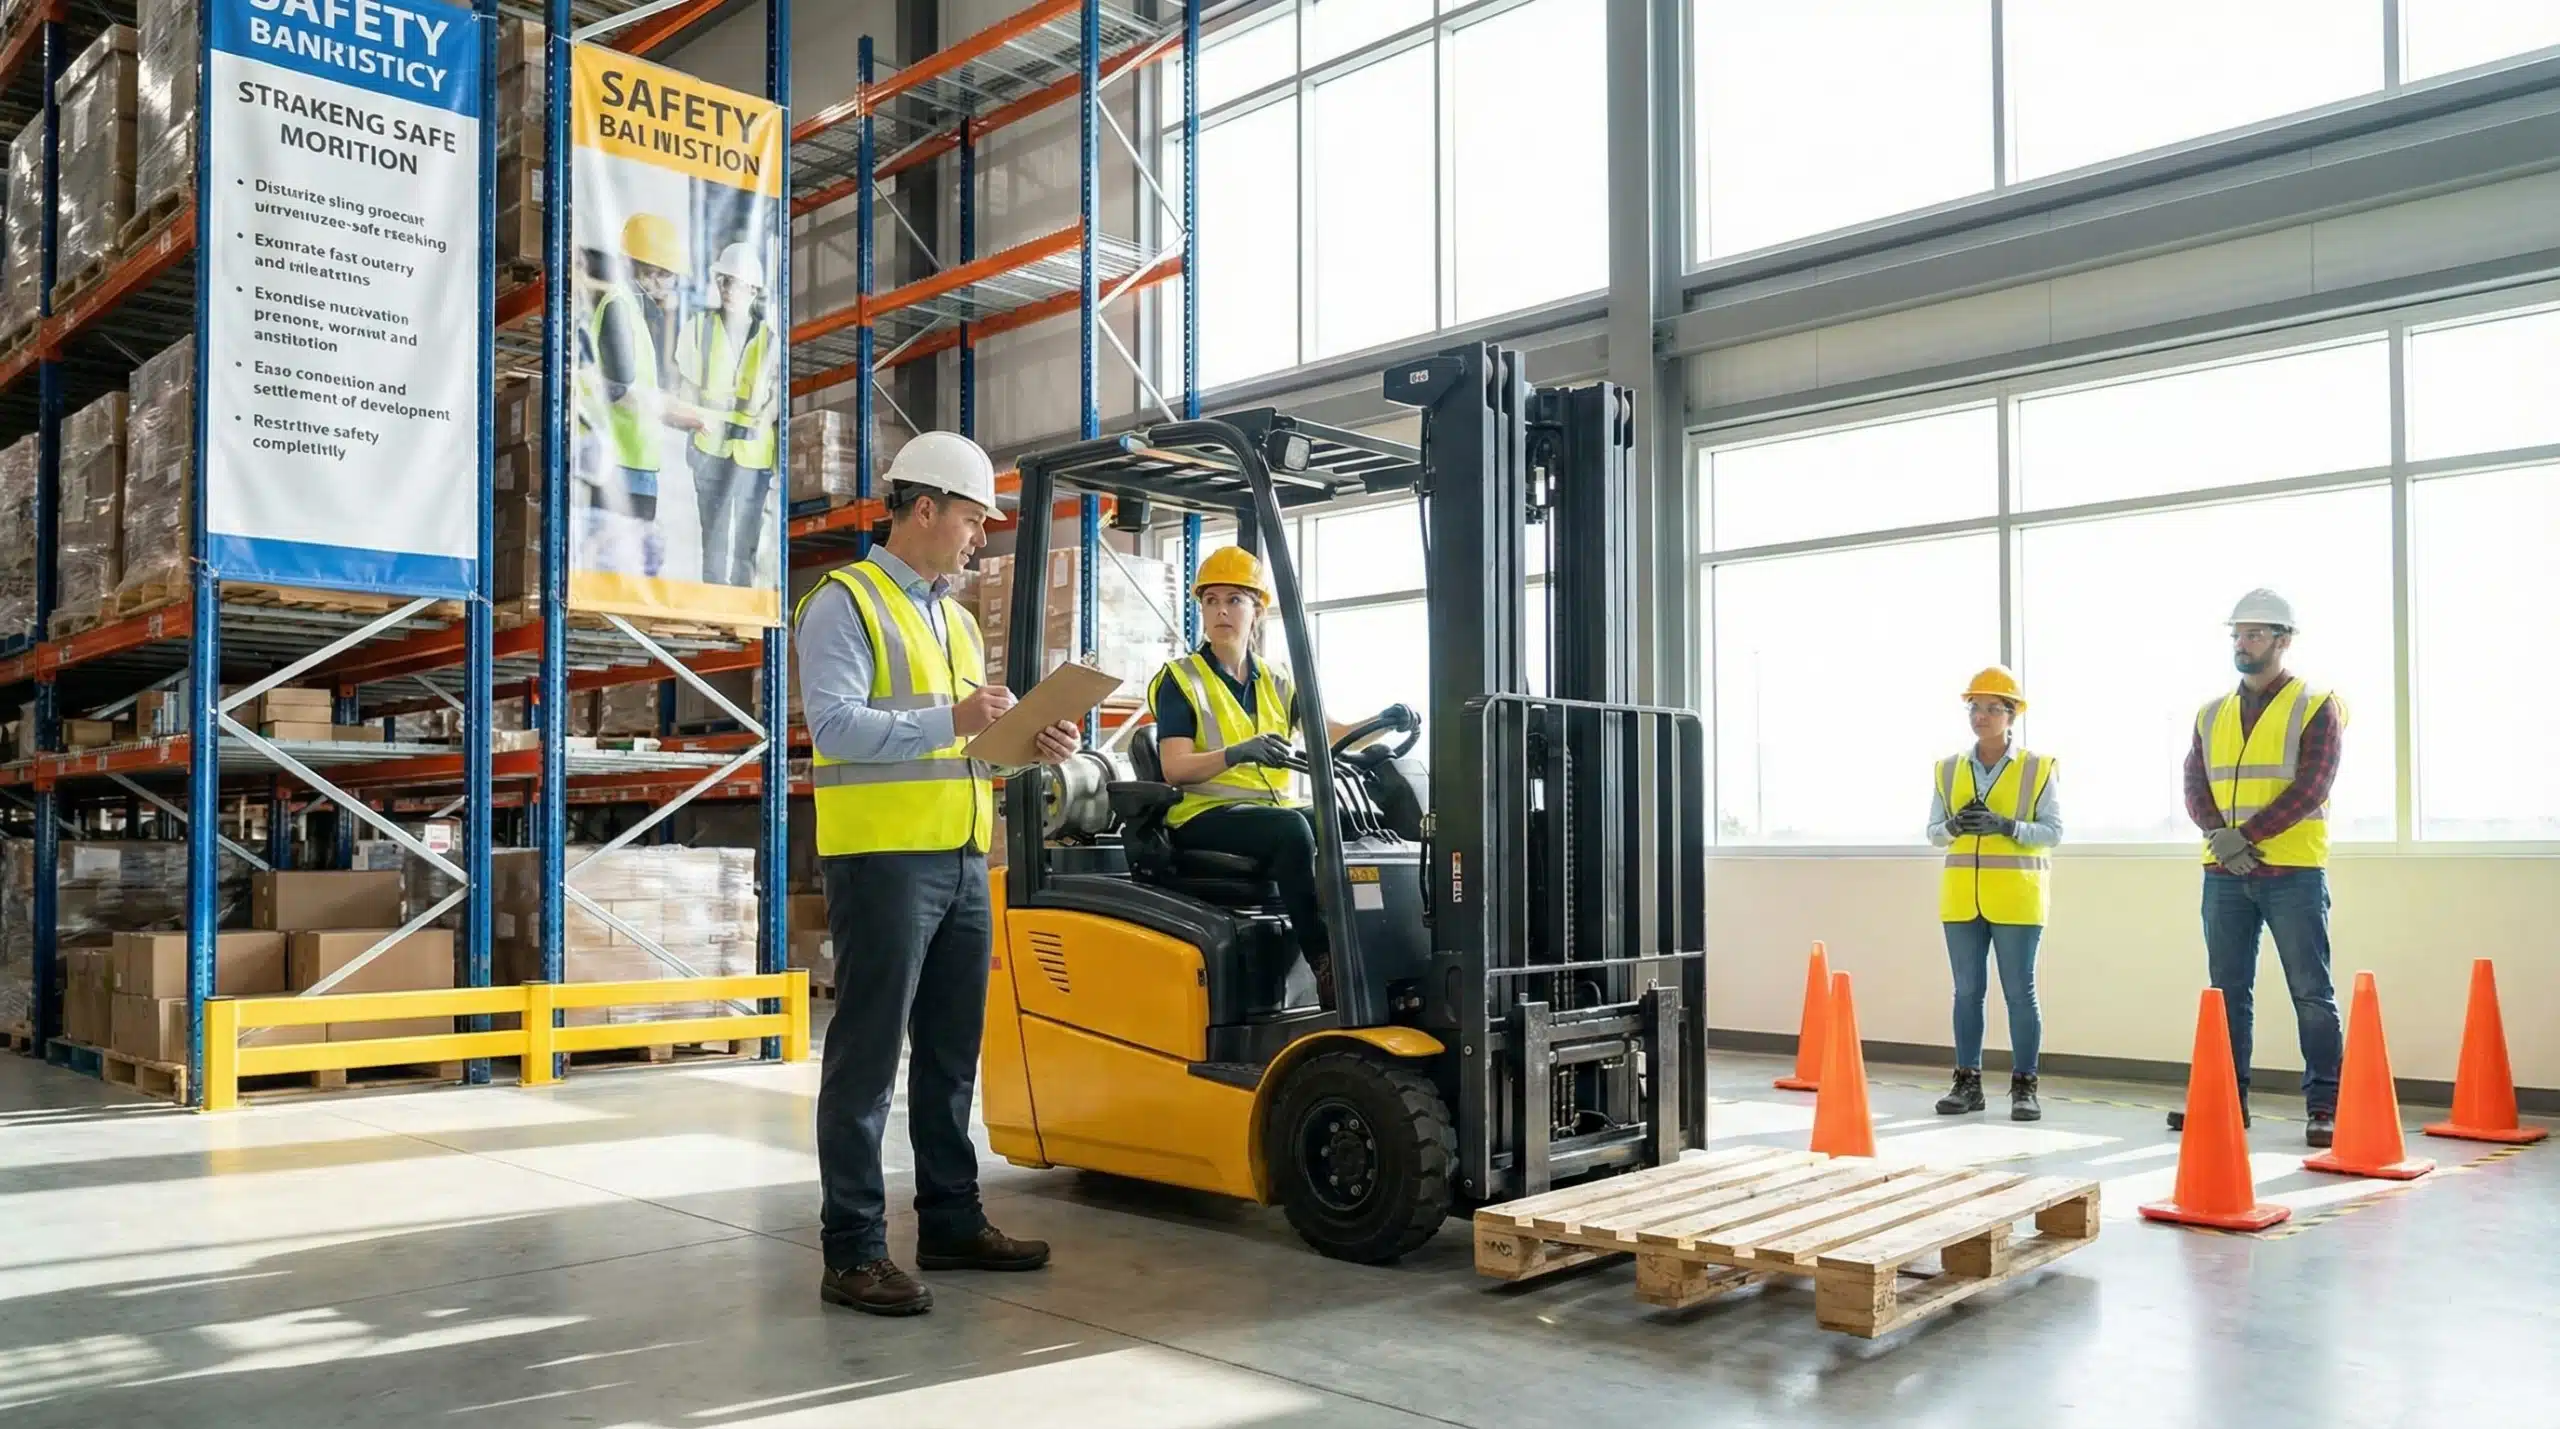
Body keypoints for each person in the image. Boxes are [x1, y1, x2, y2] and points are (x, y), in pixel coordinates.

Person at [793, 430, 1081, 1317]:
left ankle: (952, 1219)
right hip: (882, 859)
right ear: (924, 508)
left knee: (953, 1053)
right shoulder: (844, 602)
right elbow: (836, 728)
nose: (978, 538)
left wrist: (1026, 748)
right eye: (970, 518)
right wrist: (947, 714)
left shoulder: (952, 617)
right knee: (869, 1057)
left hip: (960, 854)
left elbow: (963, 748)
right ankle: (853, 1249)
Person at [1146, 545, 1414, 1011]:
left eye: (1234, 599)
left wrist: (1384, 720)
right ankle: (1326, 962)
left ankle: (1389, 942)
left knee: (1355, 818)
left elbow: (1330, 736)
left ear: (1257, 612)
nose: (1221, 611)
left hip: (1264, 813)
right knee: (1293, 830)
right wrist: (1235, 753)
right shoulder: (1181, 679)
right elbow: (1174, 767)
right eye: (1211, 601)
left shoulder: (1276, 679)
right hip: (1203, 815)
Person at [2177, 588, 2345, 1148]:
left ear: (2283, 639)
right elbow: (2195, 784)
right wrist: (2223, 843)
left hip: (2292, 873)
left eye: (2253, 634)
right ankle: (2227, 1102)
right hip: (2223, 875)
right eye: (2237, 635)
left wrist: (2242, 837)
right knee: (2226, 992)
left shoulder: (2316, 704)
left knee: (2311, 992)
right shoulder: (2210, 713)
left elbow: (2312, 786)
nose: (2242, 644)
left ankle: (2325, 1106)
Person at [1925, 665, 2062, 1122]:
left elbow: (2053, 831)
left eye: (1991, 708)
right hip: (1962, 897)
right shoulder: (1948, 769)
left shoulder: (2037, 769)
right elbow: (1933, 833)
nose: (1980, 716)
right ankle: (1967, 1083)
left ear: (2011, 714)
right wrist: (1952, 826)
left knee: (2019, 993)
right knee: (1967, 992)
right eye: (1974, 707)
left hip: (2017, 898)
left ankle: (2025, 1086)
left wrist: (2008, 827)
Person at [578, 213, 696, 579]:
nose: (665, 283)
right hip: (616, 466)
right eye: (657, 273)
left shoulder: (640, 314)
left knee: (633, 566)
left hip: (637, 462)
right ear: (634, 267)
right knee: (612, 566)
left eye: (668, 274)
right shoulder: (619, 307)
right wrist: (678, 412)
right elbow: (622, 391)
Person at [674, 243, 780, 587]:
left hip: (752, 452)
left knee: (747, 539)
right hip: (711, 446)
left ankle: (743, 604)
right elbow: (687, 388)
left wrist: (762, 421)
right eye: (724, 282)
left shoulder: (770, 339)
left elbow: (777, 396)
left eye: (737, 283)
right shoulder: (699, 327)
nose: (729, 291)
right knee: (714, 538)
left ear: (754, 290)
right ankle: (716, 603)